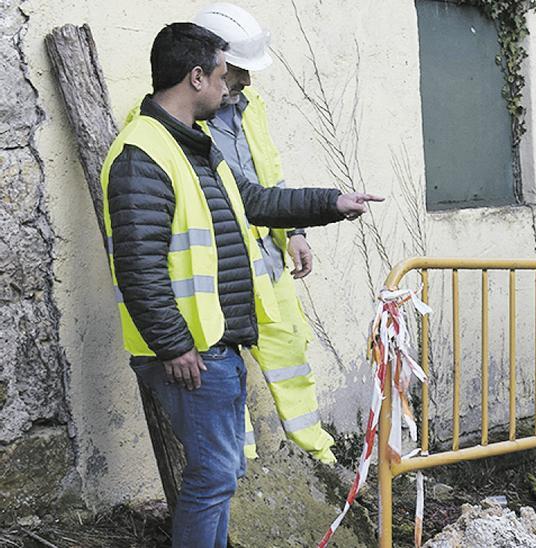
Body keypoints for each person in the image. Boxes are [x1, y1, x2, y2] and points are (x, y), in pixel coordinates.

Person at [100, 22, 382, 547]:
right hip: (191, 353)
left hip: (214, 347)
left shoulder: (194, 145)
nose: (230, 86)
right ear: (196, 76)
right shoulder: (143, 154)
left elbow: (255, 201)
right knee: (211, 480)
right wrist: (174, 344)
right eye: (224, 75)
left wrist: (332, 202)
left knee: (219, 478)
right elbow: (138, 267)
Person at [190, 3, 336, 464]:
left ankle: (323, 467)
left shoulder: (250, 109)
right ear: (205, 67)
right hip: (221, 274)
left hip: (269, 266)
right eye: (237, 71)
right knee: (227, 381)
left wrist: (292, 231)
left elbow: (267, 177)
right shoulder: (171, 120)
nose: (246, 82)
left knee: (292, 363)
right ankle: (247, 489)